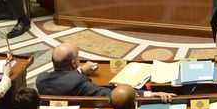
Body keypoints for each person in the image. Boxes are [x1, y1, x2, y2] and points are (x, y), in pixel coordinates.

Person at [36, 43, 175, 102]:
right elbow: (111, 95)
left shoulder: (40, 80)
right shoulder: (79, 82)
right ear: (73, 63)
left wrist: (80, 70)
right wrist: (150, 94)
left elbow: (62, 78)